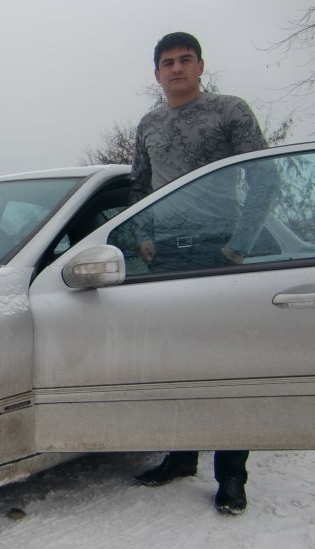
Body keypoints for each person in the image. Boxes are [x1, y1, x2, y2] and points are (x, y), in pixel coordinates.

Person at [128, 32, 268, 515]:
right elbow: (139, 186)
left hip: (219, 251)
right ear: (157, 73)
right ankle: (181, 454)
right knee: (175, 362)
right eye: (167, 62)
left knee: (226, 365)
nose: (176, 68)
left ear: (201, 65)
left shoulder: (229, 111)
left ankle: (232, 475)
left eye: (185, 60)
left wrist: (239, 244)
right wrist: (143, 236)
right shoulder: (148, 122)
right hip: (165, 257)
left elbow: (263, 177)